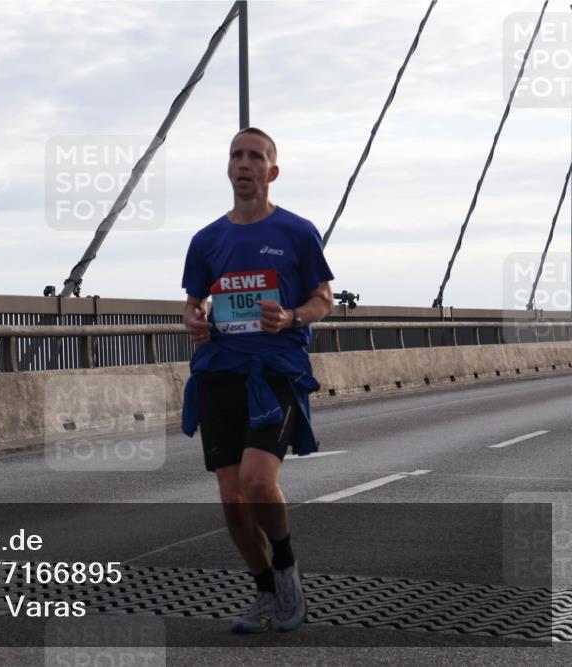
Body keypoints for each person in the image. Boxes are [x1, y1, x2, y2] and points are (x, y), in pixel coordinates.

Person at [180, 127, 334, 633]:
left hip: (275, 374)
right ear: (228, 168)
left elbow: (324, 300)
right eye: (236, 156)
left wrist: (290, 317)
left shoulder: (297, 232)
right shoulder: (206, 241)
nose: (244, 164)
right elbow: (192, 301)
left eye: (255, 156)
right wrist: (195, 318)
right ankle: (266, 591)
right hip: (220, 373)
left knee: (257, 481)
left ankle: (286, 569)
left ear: (272, 171)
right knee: (232, 498)